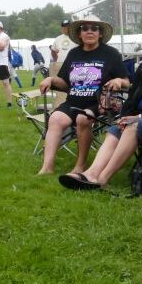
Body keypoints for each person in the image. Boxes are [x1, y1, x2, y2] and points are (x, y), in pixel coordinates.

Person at [58, 23, 142, 190]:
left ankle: (103, 178)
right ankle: (91, 173)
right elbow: (132, 96)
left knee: (132, 127)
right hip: (138, 117)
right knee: (116, 127)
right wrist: (124, 115)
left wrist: (137, 118)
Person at [37, 15, 129, 175]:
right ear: (79, 34)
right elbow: (65, 83)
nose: (89, 31)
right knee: (55, 119)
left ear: (100, 33)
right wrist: (51, 79)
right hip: (73, 100)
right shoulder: (74, 54)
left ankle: (80, 165)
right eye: (85, 28)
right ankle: (47, 167)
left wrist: (119, 80)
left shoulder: (111, 54)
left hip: (98, 102)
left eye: (94, 28)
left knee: (82, 118)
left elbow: (127, 81)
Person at [51, 19, 76, 109]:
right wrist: (56, 61)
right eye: (64, 27)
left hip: (74, 67)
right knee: (60, 88)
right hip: (60, 66)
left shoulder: (76, 37)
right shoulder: (58, 39)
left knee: (72, 87)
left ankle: (72, 104)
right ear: (62, 28)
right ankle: (60, 105)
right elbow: (53, 50)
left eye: (68, 27)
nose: (66, 29)